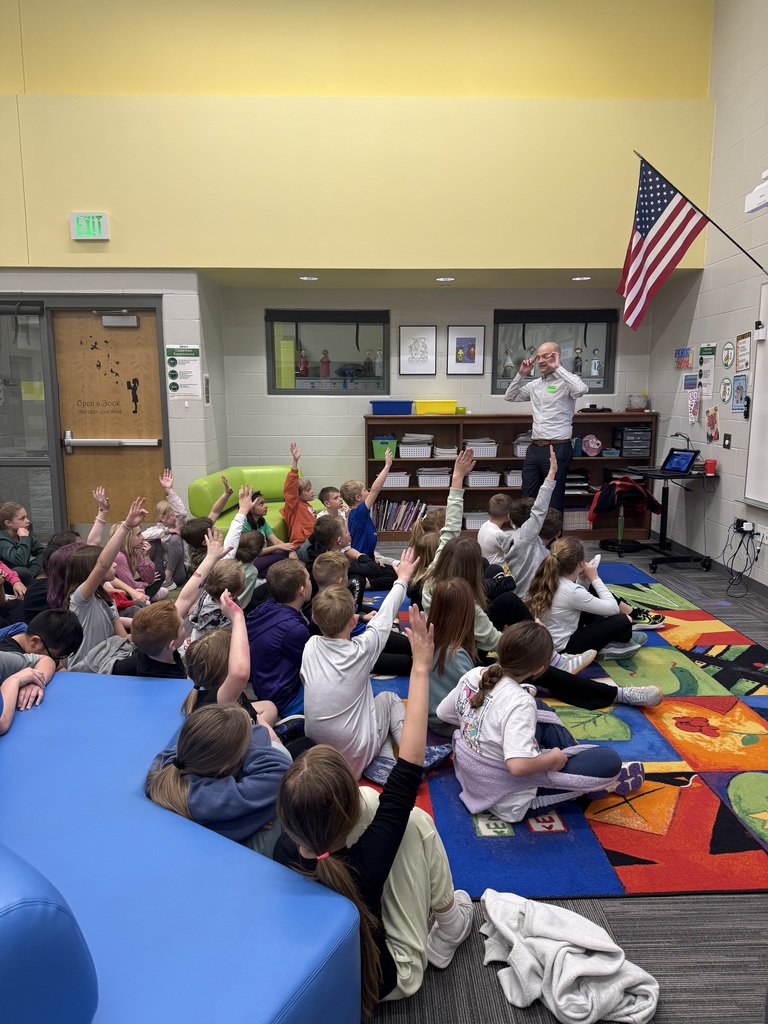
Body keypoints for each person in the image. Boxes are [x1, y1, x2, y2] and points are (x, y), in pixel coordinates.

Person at [275, 605, 473, 1017]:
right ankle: (452, 922)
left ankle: (449, 918)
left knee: (394, 815)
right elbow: (410, 763)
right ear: (346, 809)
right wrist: (420, 664)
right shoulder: (365, 863)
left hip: (341, 956)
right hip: (389, 977)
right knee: (414, 823)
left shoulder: (283, 849)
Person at [436, 621, 644, 823]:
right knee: (609, 761)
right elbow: (518, 766)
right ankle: (590, 783)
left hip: (473, 773)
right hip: (508, 799)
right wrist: (552, 758)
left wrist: (479, 724)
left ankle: (579, 764)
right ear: (539, 669)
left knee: (539, 707)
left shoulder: (474, 674)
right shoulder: (519, 702)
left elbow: (444, 713)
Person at [301, 549, 417, 780]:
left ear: (314, 619)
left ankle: (382, 758)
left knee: (365, 705)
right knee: (388, 699)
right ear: (354, 620)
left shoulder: (311, 645)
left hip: (320, 760)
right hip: (353, 758)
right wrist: (402, 578)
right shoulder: (362, 650)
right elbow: (385, 617)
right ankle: (410, 759)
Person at [146, 703, 293, 857]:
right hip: (231, 857)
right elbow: (282, 770)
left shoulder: (170, 763)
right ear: (224, 768)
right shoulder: (210, 799)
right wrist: (249, 820)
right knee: (280, 798)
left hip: (214, 828)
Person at [526, 536, 658, 671]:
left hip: (550, 642)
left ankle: (606, 642)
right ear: (581, 564)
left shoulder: (547, 578)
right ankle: (608, 644)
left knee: (591, 596)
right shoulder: (571, 591)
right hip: (564, 648)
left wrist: (585, 580)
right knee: (624, 620)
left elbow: (580, 598)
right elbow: (613, 608)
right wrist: (595, 577)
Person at [503, 341, 589, 510]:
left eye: (546, 356)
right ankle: (527, 536)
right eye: (539, 357)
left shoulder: (568, 382)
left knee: (553, 500)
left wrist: (558, 368)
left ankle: (555, 537)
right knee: (527, 499)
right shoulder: (535, 385)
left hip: (557, 449)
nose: (541, 361)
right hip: (535, 448)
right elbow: (510, 396)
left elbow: (581, 390)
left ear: (557, 357)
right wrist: (521, 374)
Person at [63, 497, 148, 665]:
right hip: (86, 669)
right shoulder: (80, 599)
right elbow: (103, 564)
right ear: (91, 570)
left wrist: (154, 634)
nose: (114, 563)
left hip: (108, 660)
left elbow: (124, 638)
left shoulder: (107, 600)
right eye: (110, 563)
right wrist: (126, 526)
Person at [181, 590, 278, 726]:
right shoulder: (219, 700)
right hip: (235, 739)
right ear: (229, 669)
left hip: (237, 715)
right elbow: (239, 674)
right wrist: (238, 617)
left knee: (269, 707)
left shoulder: (211, 693)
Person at [310, 551, 412, 677]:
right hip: (357, 650)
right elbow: (388, 610)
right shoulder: (323, 607)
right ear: (340, 581)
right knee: (407, 662)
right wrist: (402, 579)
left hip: (361, 633)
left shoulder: (328, 605)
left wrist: (362, 617)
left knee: (409, 645)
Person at [246, 559, 311, 718]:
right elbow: (310, 666)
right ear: (302, 590)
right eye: (309, 579)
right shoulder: (294, 630)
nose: (311, 582)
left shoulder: (265, 609)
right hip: (285, 699)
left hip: (264, 688)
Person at [426, 579, 478, 738]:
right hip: (449, 724)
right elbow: (476, 701)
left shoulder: (432, 643)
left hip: (435, 718)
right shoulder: (455, 655)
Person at [111, 600, 187, 678]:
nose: (184, 621)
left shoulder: (147, 650)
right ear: (172, 645)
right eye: (182, 626)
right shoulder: (174, 679)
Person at [341, 448, 394, 559]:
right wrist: (387, 466)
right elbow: (375, 490)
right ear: (358, 497)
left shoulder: (355, 513)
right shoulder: (358, 512)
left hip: (369, 555)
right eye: (365, 490)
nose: (368, 492)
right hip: (362, 559)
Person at [142, 469, 189, 588]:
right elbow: (142, 536)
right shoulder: (156, 530)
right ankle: (157, 578)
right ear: (162, 518)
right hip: (160, 570)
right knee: (153, 541)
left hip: (177, 573)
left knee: (175, 538)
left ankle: (168, 579)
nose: (176, 516)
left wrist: (169, 490)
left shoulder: (179, 526)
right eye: (173, 514)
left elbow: (182, 514)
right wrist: (166, 531)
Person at [0, 608, 83, 668]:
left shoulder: (38, 644)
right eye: (54, 656)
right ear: (35, 641)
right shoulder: (10, 663)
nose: (54, 661)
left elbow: (60, 668)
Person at [280, 442, 317, 547]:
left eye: (311, 488)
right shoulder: (294, 506)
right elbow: (290, 488)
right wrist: (295, 462)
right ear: (298, 495)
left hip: (313, 542)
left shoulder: (308, 506)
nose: (312, 491)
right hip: (301, 545)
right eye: (307, 490)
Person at [0, 503, 45, 585]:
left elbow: (43, 552)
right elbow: (19, 561)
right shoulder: (2, 540)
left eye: (26, 517)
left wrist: (32, 571)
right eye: (22, 518)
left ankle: (30, 576)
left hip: (26, 574)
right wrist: (24, 538)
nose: (27, 521)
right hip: (8, 580)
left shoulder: (25, 534)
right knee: (20, 570)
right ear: (8, 523)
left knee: (48, 554)